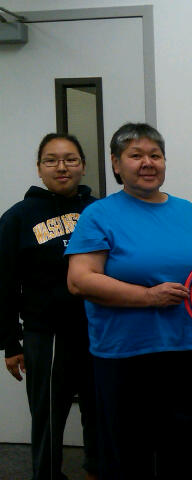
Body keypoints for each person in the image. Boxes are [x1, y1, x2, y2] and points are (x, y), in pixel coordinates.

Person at [65, 123, 192, 479]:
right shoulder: (99, 214)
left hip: (187, 346)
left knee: (184, 449)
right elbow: (80, 280)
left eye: (155, 155)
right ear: (116, 164)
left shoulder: (186, 210)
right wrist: (148, 297)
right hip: (126, 352)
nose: (148, 163)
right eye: (136, 155)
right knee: (129, 453)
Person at [0, 133, 98, 480]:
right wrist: (11, 342)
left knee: (100, 414)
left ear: (83, 165)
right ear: (39, 168)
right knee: (49, 418)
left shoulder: (100, 211)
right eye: (51, 160)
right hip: (48, 336)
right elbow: (3, 282)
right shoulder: (18, 217)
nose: (62, 167)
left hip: (100, 332)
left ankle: (97, 471)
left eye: (70, 159)